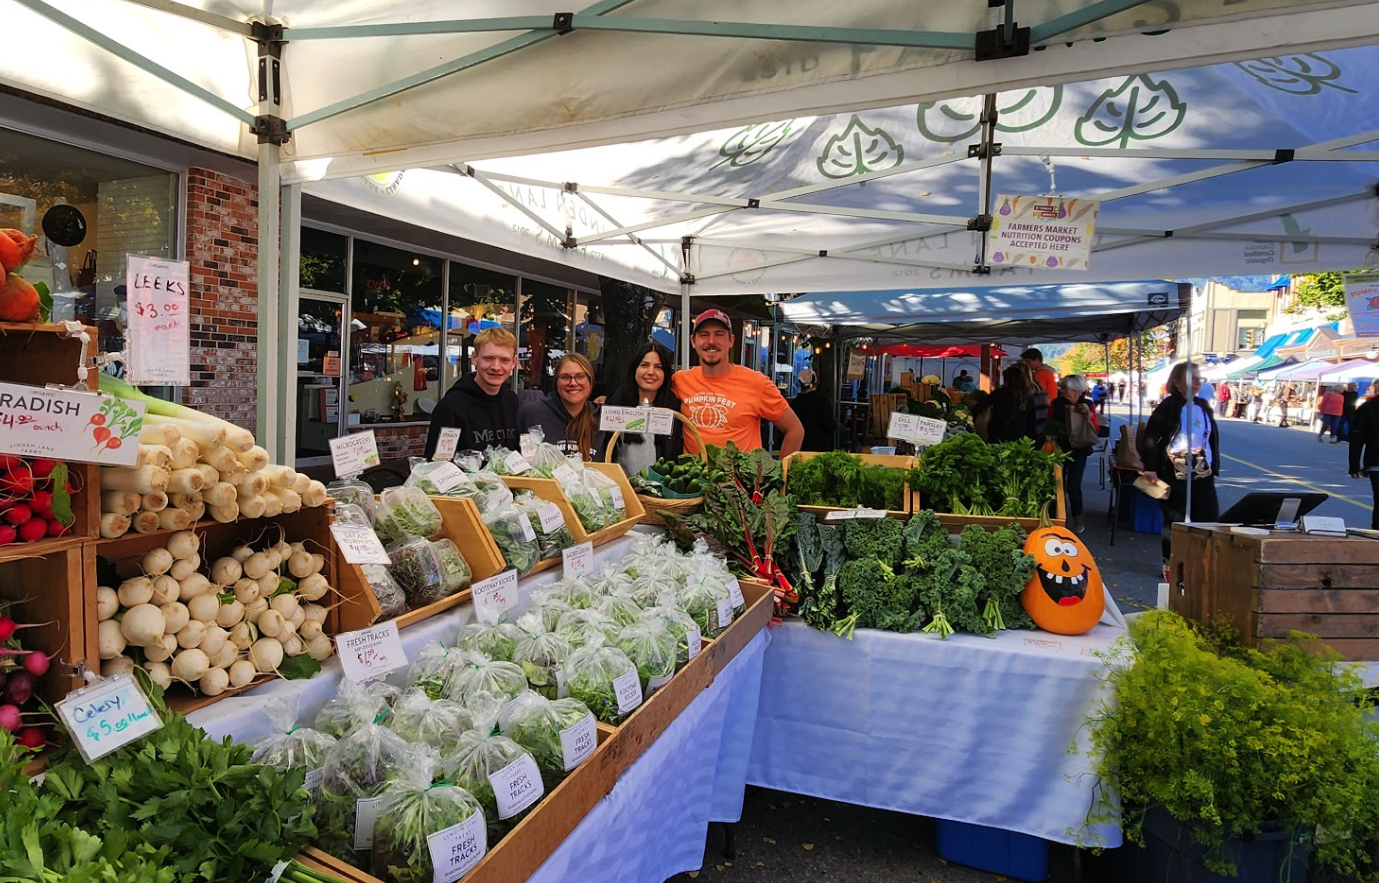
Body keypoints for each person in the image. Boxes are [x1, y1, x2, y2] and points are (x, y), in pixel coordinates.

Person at [674, 309, 804, 455]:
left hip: (741, 477)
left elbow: (795, 429)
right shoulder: (680, 381)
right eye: (704, 335)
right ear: (693, 341)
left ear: (731, 341)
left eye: (719, 334)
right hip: (694, 476)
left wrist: (781, 474)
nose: (711, 341)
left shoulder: (756, 383)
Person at [1141, 361, 1220, 565]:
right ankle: (1170, 563)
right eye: (1190, 379)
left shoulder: (1203, 406)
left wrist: (1214, 464)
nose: (1196, 383)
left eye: (1198, 379)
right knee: (1175, 520)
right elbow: (1151, 437)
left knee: (1208, 518)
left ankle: (1201, 562)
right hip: (1174, 471)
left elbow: (1210, 438)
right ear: (1176, 382)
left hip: (1203, 470)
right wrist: (1150, 468)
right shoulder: (1168, 406)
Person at [424, 327, 519, 458]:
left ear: (514, 363)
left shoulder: (512, 401)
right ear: (474, 358)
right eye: (488, 358)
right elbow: (437, 463)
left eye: (504, 360)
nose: (496, 367)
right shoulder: (451, 407)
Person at [602, 341, 683, 476]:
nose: (651, 372)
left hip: (660, 493)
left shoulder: (674, 409)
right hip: (622, 490)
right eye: (644, 365)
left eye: (658, 367)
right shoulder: (615, 404)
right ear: (634, 369)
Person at [517, 353, 600, 460]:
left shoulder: (602, 420)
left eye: (580, 377)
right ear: (556, 382)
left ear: (591, 381)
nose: (573, 383)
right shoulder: (532, 414)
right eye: (565, 377)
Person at [1050, 374, 1099, 533]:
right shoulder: (1057, 404)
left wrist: (1088, 415)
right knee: (1057, 485)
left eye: (1066, 388)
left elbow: (1095, 429)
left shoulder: (1087, 404)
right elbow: (1048, 423)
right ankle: (1057, 517)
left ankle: (1078, 517)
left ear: (1077, 390)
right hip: (1059, 449)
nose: (1062, 391)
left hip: (1079, 450)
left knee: (1073, 485)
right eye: (1062, 387)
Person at [975, 362, 1039, 443]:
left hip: (997, 437)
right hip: (1020, 440)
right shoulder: (1027, 397)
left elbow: (979, 407)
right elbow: (1031, 423)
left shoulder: (999, 393)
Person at [1350, 391, 1379, 530]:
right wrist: (1354, 465)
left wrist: (1354, 465)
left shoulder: (1368, 407)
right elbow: (1357, 437)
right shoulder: (1368, 407)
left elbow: (1357, 437)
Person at [789, 368, 837, 452]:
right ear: (815, 382)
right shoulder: (822, 400)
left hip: (800, 446)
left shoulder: (795, 403)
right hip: (821, 447)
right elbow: (829, 424)